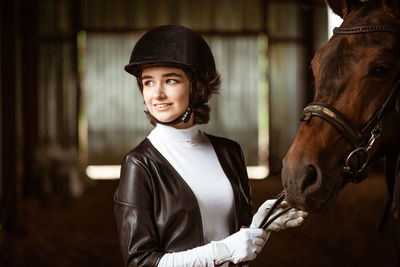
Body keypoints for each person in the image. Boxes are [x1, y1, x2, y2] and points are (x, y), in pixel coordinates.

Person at [114, 24, 307, 267]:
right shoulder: (139, 164)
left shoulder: (230, 152)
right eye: (148, 82)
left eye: (170, 80)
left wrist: (260, 224)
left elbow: (238, 242)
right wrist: (222, 250)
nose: (157, 94)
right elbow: (139, 261)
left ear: (197, 87)